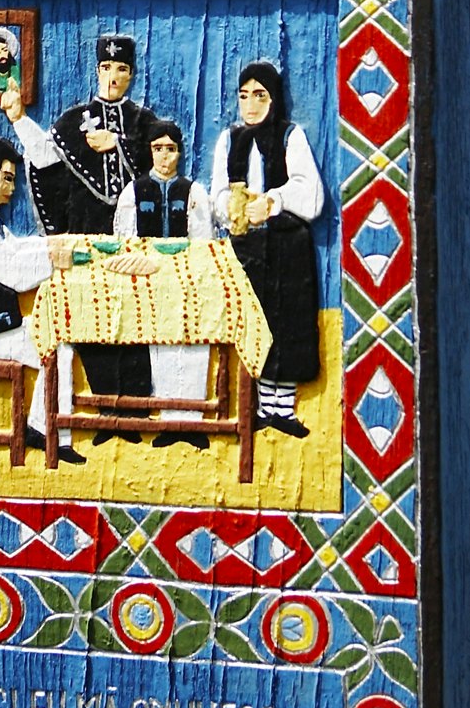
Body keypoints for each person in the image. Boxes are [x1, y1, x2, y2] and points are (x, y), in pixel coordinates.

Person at [0, 33, 176, 437]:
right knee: (91, 323)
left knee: (134, 322)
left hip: (133, 239)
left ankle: (133, 413)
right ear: (97, 71)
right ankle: (106, 414)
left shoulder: (145, 124)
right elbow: (45, 161)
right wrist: (19, 119)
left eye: (122, 69)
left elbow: (164, 161)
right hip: (86, 235)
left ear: (131, 75)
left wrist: (119, 144)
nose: (113, 76)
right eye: (106, 68)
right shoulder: (73, 121)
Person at [208, 60, 323, 439]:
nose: (251, 104)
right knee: (253, 322)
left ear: (273, 99)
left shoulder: (291, 137)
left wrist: (274, 201)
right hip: (248, 247)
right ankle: (258, 405)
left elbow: (310, 191)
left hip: (287, 246)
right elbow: (218, 191)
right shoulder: (230, 139)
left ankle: (282, 408)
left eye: (260, 95)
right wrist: (231, 207)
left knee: (286, 322)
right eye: (244, 96)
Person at [0, 138, 78, 462]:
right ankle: (53, 435)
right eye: (7, 178)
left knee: (57, 336)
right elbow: (13, 273)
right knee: (57, 346)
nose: (12, 187)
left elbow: (17, 248)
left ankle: (41, 425)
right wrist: (53, 261)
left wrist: (51, 245)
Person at [113, 126, 213, 448]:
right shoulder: (134, 191)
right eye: (158, 148)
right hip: (150, 283)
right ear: (150, 151)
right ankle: (171, 422)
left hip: (188, 281)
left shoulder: (193, 191)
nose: (164, 155)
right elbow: (124, 238)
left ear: (179, 152)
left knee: (194, 347)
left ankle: (194, 423)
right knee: (162, 349)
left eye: (170, 148)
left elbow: (203, 238)